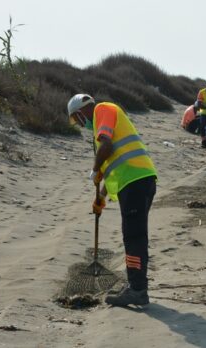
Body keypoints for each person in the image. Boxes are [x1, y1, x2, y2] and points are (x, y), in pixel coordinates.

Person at [67, 94, 158, 306]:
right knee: (136, 235)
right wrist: (101, 197)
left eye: (75, 119)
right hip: (138, 181)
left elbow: (107, 147)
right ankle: (137, 286)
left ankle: (137, 290)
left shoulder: (102, 110)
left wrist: (95, 169)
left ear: (81, 111)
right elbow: (114, 162)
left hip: (135, 181)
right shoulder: (102, 121)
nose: (79, 125)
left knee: (134, 237)